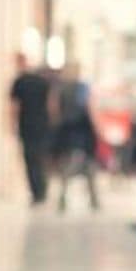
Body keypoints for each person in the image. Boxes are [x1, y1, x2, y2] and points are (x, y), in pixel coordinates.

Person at [8, 54, 55, 208]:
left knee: (30, 159)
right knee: (40, 157)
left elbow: (15, 107)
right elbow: (51, 105)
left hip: (27, 125)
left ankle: (37, 193)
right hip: (42, 125)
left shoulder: (19, 82)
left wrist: (12, 125)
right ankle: (42, 190)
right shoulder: (42, 82)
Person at [53, 62, 99, 211]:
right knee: (82, 163)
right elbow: (88, 107)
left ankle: (90, 198)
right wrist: (96, 128)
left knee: (78, 164)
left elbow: (54, 109)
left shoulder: (61, 88)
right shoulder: (82, 87)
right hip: (81, 131)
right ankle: (91, 198)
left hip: (66, 130)